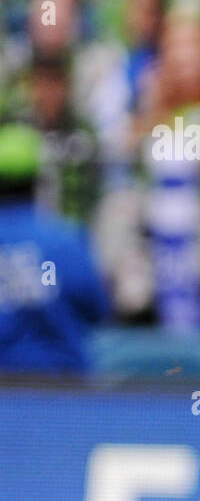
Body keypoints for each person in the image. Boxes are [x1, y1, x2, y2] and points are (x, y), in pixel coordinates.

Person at [0, 123, 108, 373]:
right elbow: (97, 309)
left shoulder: (66, 238)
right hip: (63, 391)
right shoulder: (66, 240)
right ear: (39, 180)